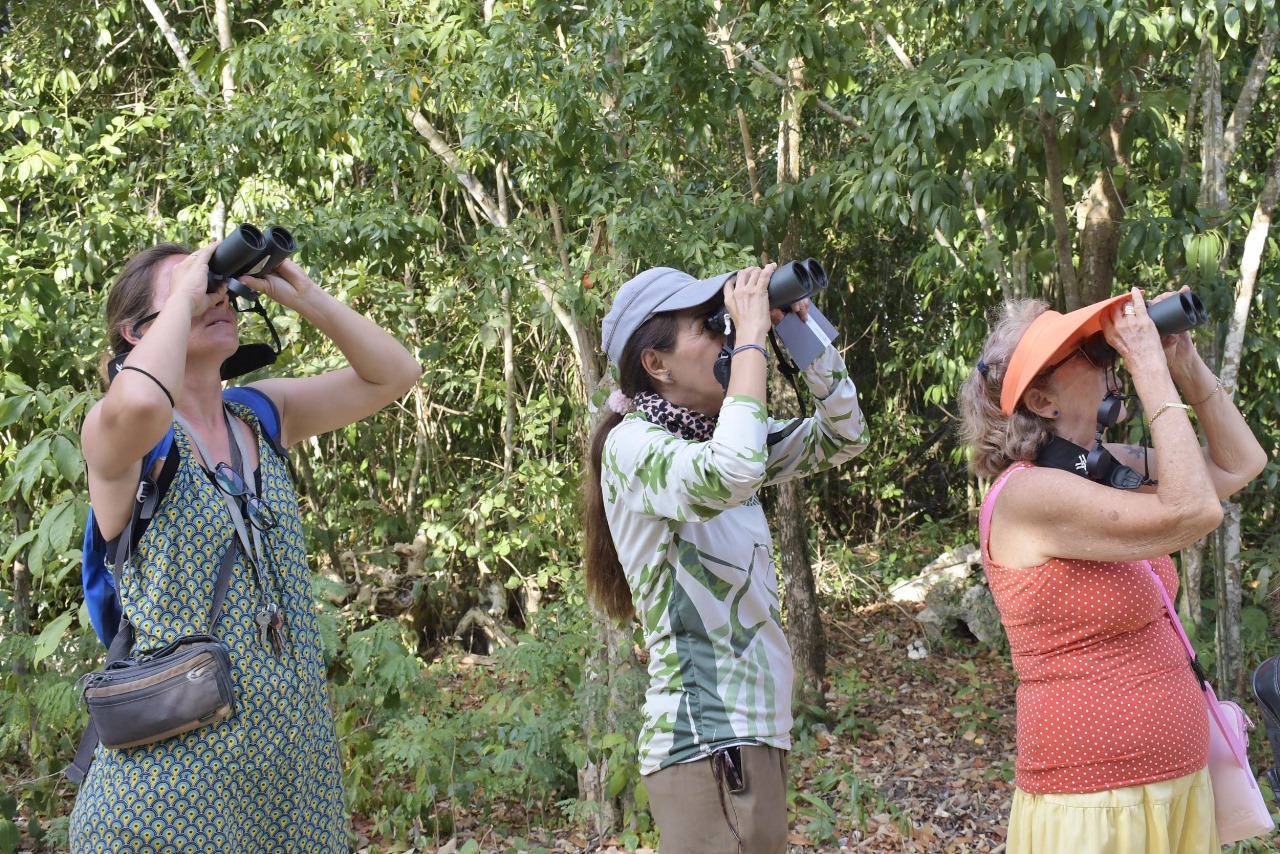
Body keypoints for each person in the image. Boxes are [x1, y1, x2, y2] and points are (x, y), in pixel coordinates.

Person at [70, 240, 422, 852]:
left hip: (289, 777)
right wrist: (186, 291)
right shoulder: (122, 436)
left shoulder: (260, 413)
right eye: (193, 289)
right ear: (135, 332)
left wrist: (304, 294)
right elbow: (143, 400)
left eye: (221, 287)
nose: (217, 296)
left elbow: (397, 373)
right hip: (169, 794)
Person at [959, 288, 1267, 853]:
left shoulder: (1108, 466)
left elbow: (1240, 463)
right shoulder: (1028, 497)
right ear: (1043, 400)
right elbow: (1194, 510)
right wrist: (1148, 370)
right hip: (1094, 800)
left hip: (1178, 782)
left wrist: (1184, 364)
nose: (1112, 360)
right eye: (1093, 353)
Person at [583, 263, 868, 853]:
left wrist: (798, 336)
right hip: (705, 738)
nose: (727, 334)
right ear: (655, 364)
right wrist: (752, 341)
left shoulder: (714, 437)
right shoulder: (633, 446)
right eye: (709, 325)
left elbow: (845, 436)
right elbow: (733, 471)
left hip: (751, 734)